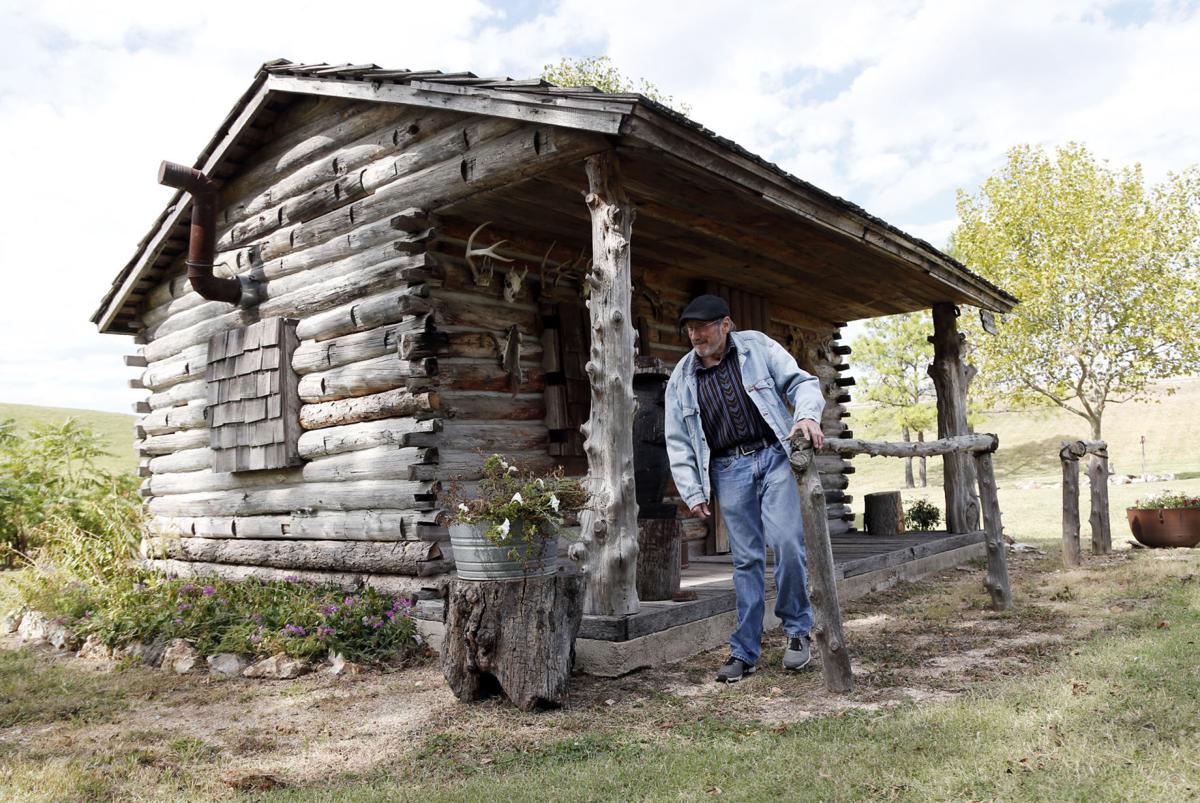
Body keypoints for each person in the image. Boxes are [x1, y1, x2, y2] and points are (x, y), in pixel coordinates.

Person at [664, 294, 826, 683]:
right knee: (746, 560)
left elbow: (803, 383)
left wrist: (805, 416)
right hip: (727, 468)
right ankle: (744, 650)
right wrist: (693, 490)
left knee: (787, 542)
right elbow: (678, 439)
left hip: (773, 456)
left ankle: (797, 632)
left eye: (702, 327)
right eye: (690, 329)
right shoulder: (682, 378)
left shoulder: (757, 347)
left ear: (725, 325)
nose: (695, 335)